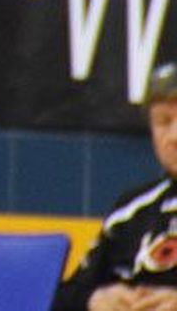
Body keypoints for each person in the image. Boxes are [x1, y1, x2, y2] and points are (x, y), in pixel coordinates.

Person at [52, 61, 177, 311]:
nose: (173, 137)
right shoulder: (131, 213)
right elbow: (61, 296)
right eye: (163, 122)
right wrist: (93, 299)